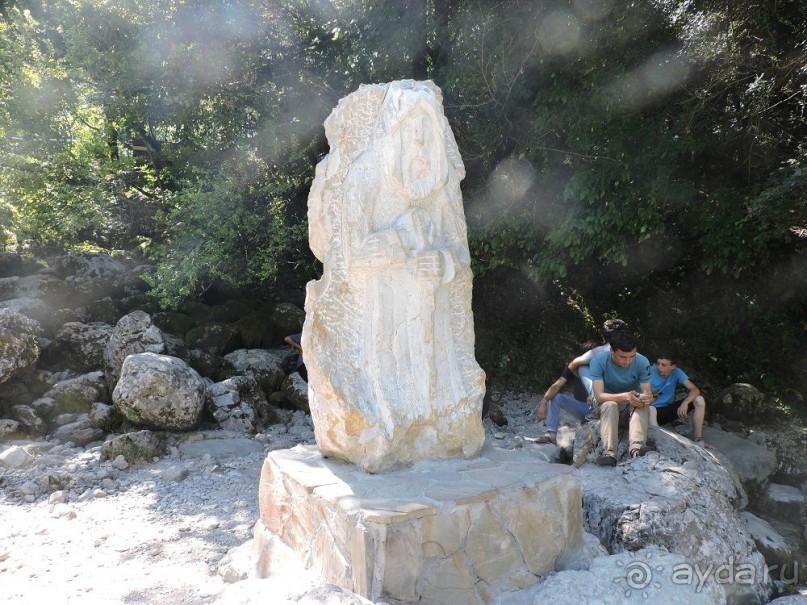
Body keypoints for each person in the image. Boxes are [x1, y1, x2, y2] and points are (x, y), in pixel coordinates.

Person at [534, 319, 628, 444]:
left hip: (610, 403)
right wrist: (544, 401)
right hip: (592, 408)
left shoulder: (612, 354)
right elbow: (557, 385)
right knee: (557, 397)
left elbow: (573, 366)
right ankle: (551, 433)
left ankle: (598, 406)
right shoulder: (589, 364)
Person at [590, 329, 653, 466]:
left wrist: (647, 397)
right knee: (610, 404)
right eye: (623, 357)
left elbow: (647, 392)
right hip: (607, 409)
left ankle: (636, 449)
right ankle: (609, 453)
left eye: (632, 356)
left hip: (631, 409)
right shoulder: (598, 362)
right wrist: (625, 396)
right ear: (612, 351)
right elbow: (599, 397)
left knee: (642, 404)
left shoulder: (642, 362)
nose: (628, 361)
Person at [649, 351, 711, 447]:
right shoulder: (649, 371)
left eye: (664, 365)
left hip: (667, 409)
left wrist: (685, 403)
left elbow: (695, 390)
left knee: (699, 400)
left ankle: (698, 440)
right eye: (658, 364)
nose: (659, 367)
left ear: (673, 366)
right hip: (649, 411)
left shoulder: (677, 372)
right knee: (651, 409)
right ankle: (658, 440)